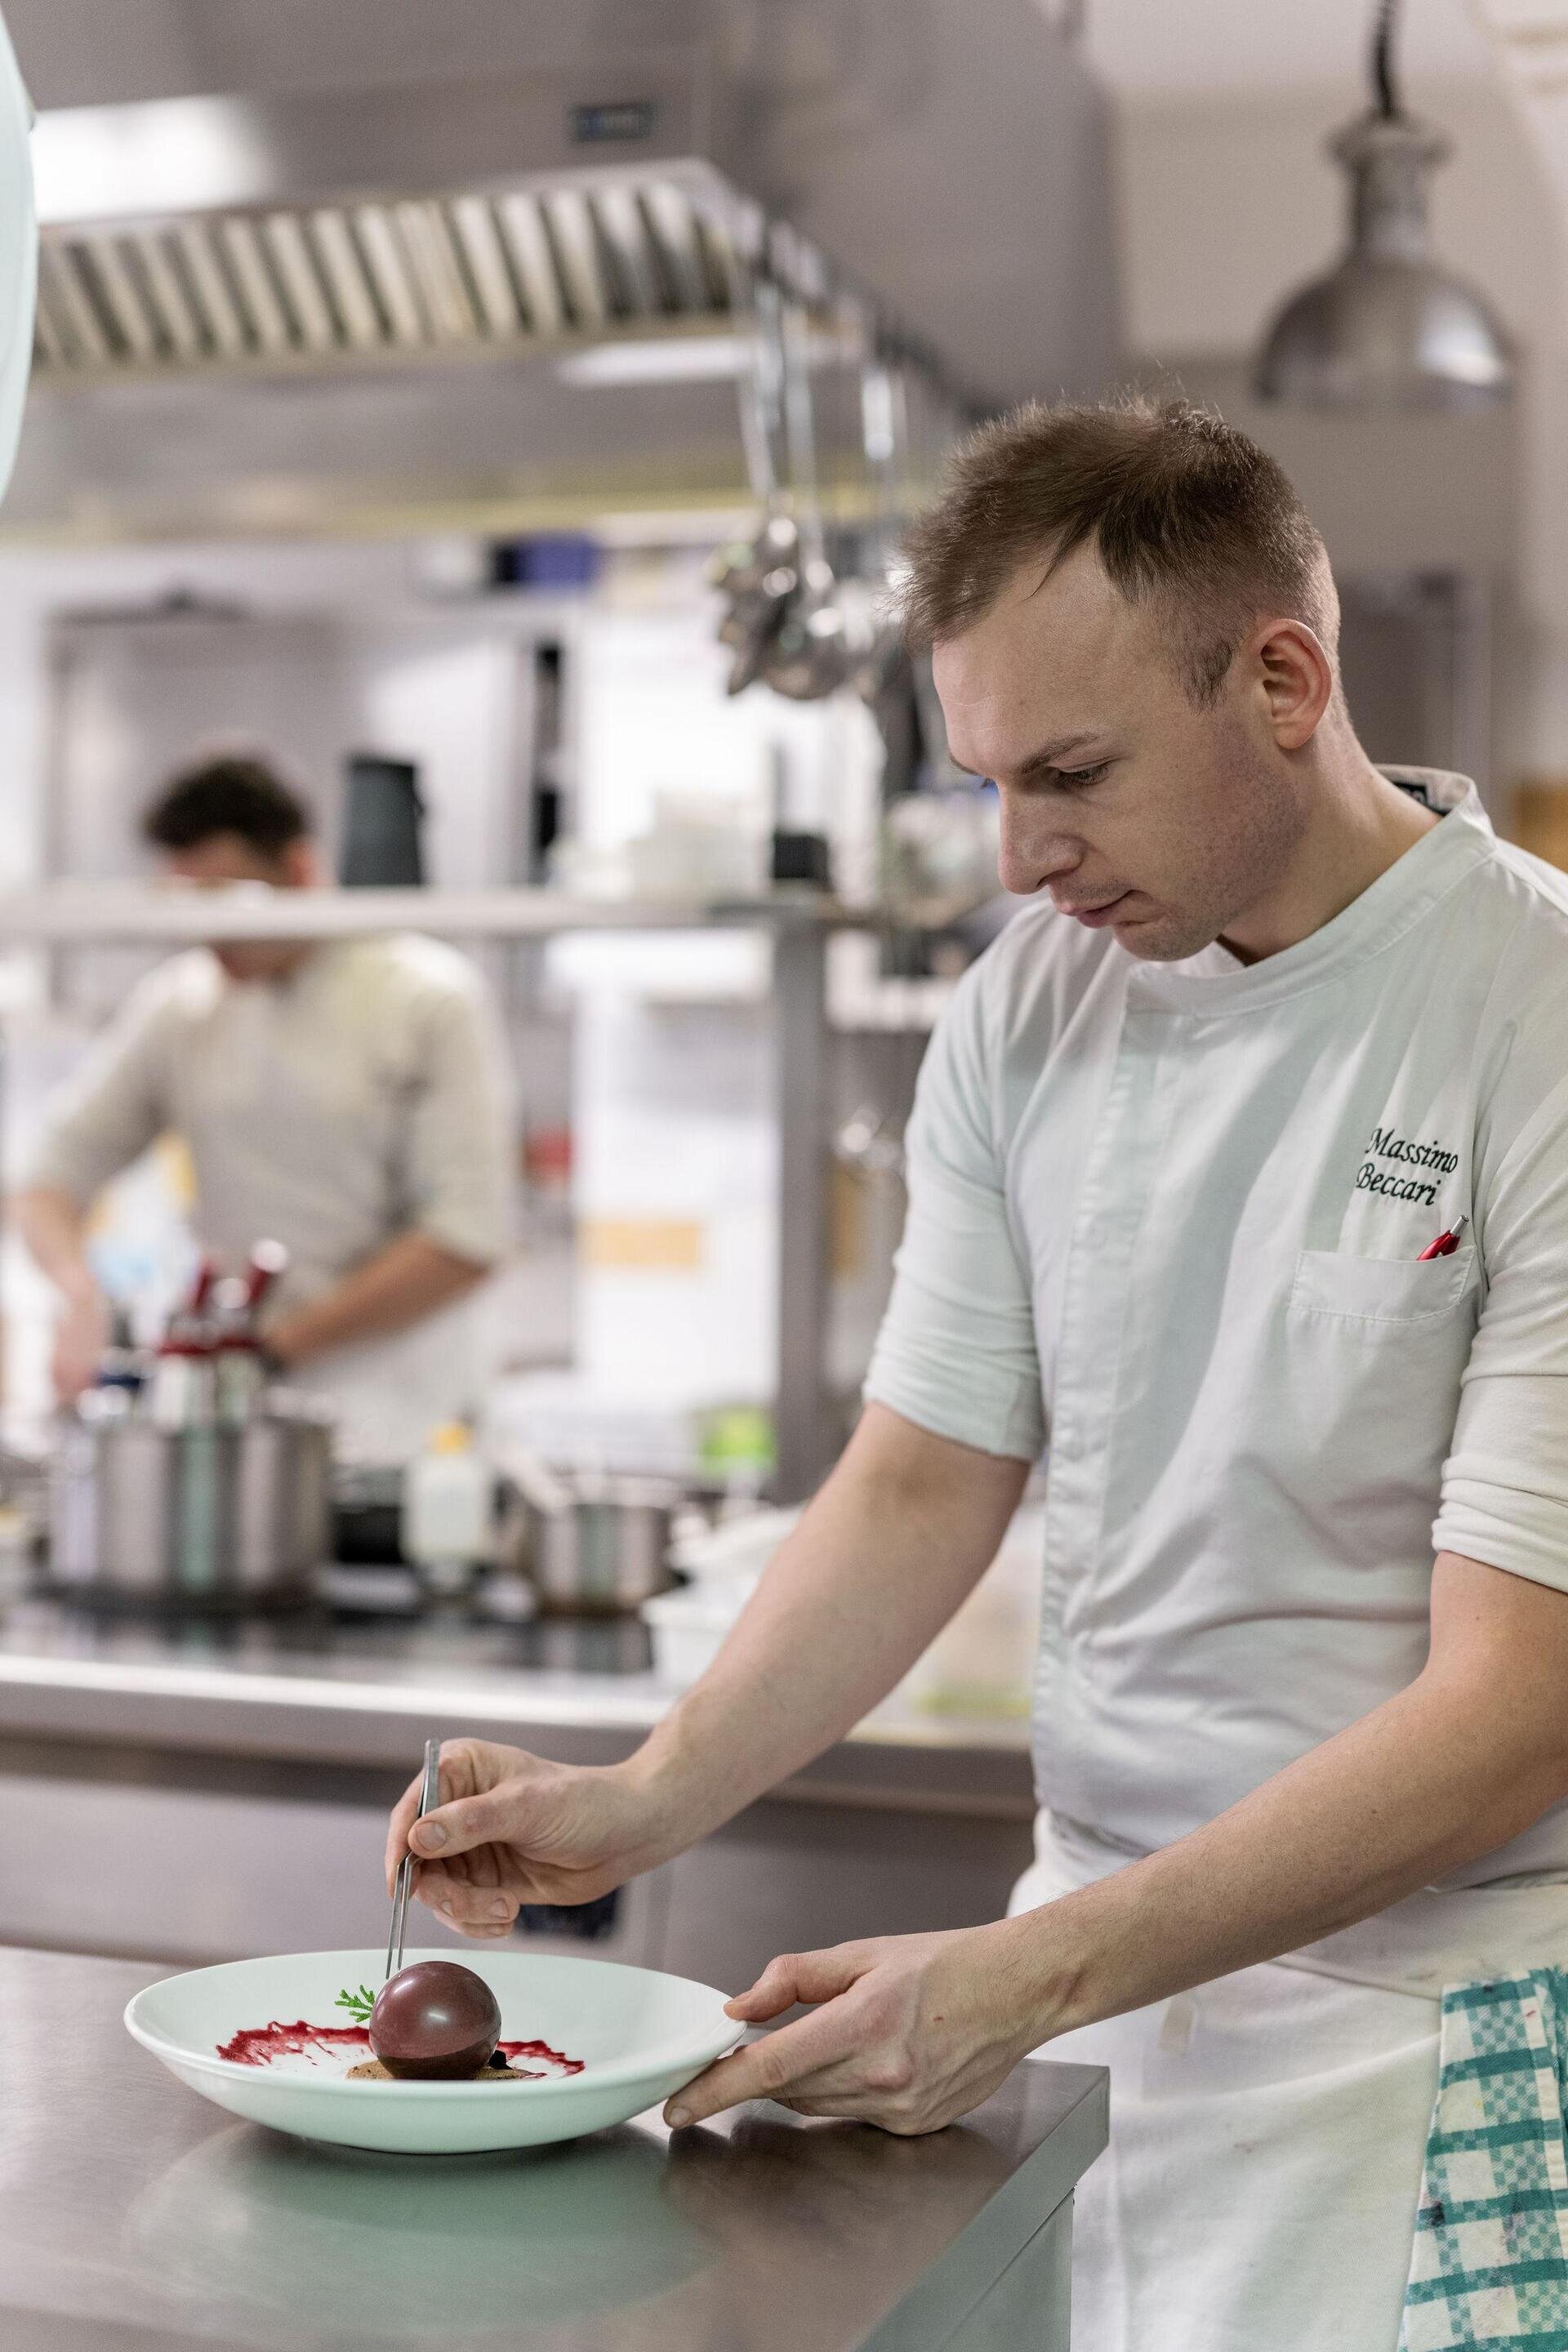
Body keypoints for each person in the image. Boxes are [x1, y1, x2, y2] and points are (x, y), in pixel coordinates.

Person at [382, 400, 1568, 2348]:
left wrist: (1025, 1980)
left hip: (1420, 2037)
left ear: (1283, 682)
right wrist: (654, 1796)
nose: (1022, 857)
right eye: (992, 784)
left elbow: (1521, 1707)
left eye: (1075, 774)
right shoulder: (1032, 1004)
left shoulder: (1529, 1016)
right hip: (1082, 1986)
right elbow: (926, 1472)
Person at [15, 753, 514, 1455]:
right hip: (238, 1420)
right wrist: (78, 1295)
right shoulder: (182, 1006)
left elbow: (467, 1239)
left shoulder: (426, 998)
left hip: (406, 1421)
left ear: (300, 870)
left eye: (225, 902)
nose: (210, 935)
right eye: (188, 908)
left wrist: (272, 1348)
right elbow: (49, 1175)